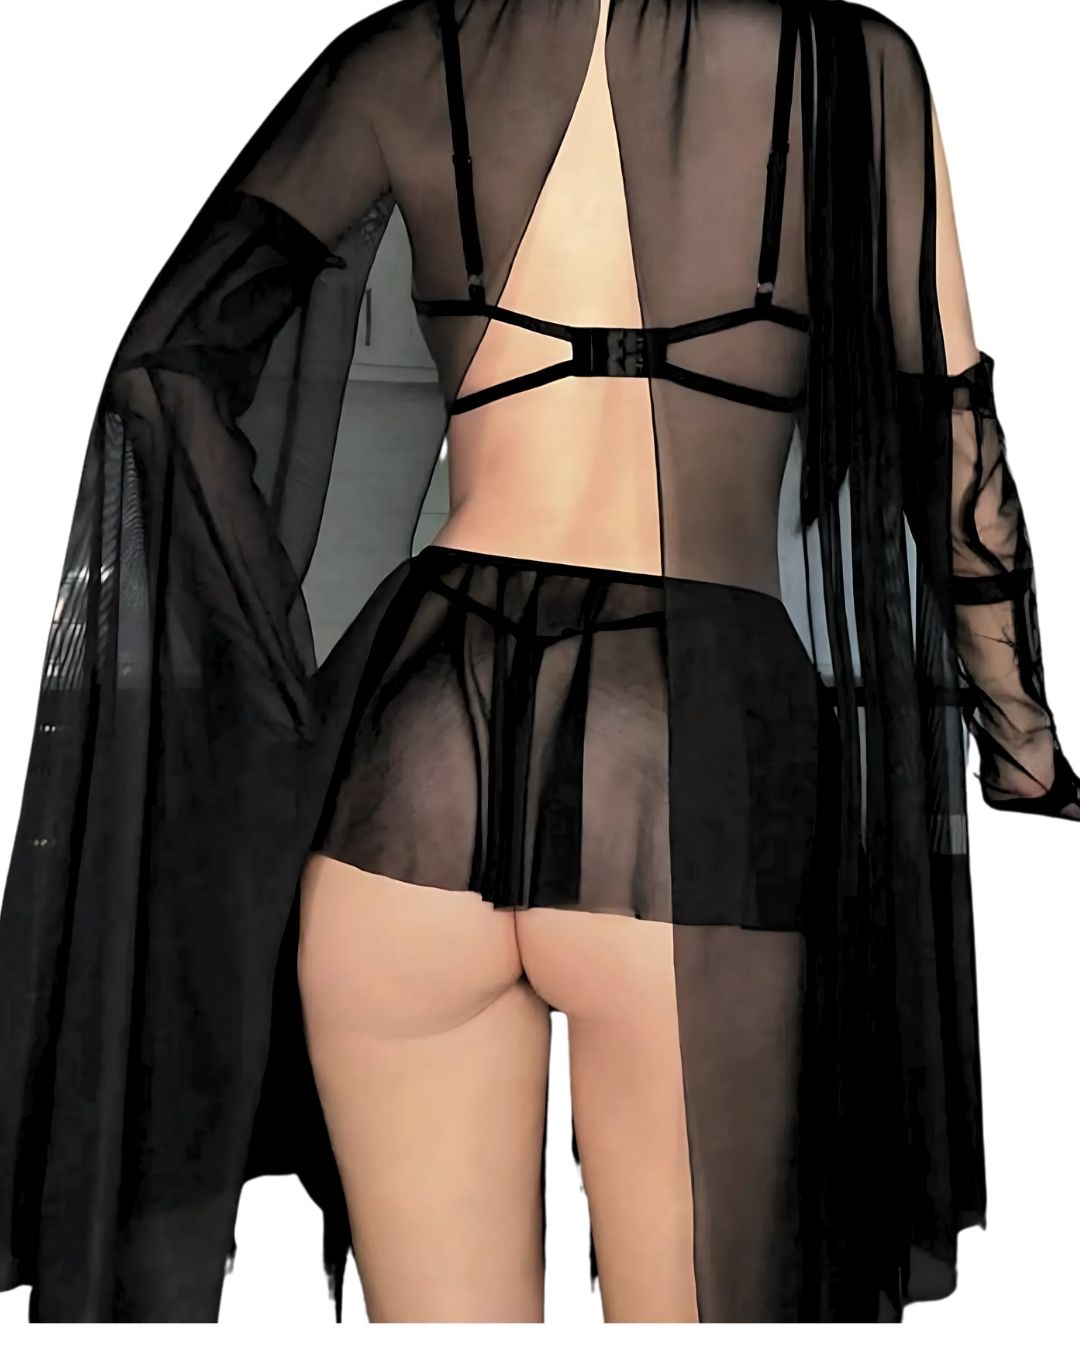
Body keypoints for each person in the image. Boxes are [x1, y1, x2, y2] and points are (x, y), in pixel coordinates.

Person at [0, 0, 1076, 1325]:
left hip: (412, 747)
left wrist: (277, 679)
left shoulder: (413, 51)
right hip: (688, 748)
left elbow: (165, 367)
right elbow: (948, 433)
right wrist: (1020, 737)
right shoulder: (852, 66)